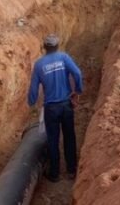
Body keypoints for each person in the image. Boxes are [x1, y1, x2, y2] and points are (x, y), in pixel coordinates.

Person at [27, 34, 83, 182]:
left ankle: (55, 173)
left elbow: (33, 89)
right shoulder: (64, 58)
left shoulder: (39, 65)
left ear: (44, 47)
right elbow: (77, 73)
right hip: (66, 105)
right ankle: (71, 170)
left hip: (51, 108)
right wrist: (77, 90)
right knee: (69, 136)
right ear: (57, 45)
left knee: (53, 139)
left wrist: (31, 102)